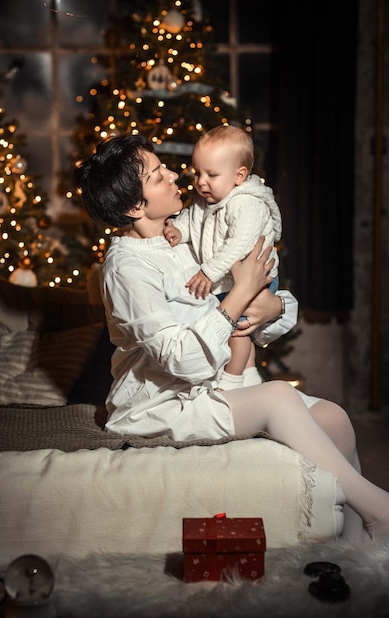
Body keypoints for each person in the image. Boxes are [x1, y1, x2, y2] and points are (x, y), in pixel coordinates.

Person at [75, 133, 389, 539]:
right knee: (278, 396)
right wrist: (239, 295)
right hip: (164, 402)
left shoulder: (183, 233)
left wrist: (274, 306)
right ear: (136, 206)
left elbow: (253, 290)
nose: (174, 176)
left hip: (217, 383)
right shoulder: (126, 269)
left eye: (164, 167)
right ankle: (378, 510)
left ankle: (357, 551)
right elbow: (182, 359)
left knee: (335, 419)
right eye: (157, 176)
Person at [163, 125, 283, 390]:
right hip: (229, 280)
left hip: (255, 278)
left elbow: (238, 245)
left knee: (236, 332)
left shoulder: (247, 204)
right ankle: (250, 380)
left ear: (239, 176)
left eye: (211, 174)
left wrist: (209, 272)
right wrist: (178, 231)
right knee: (239, 334)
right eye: (198, 172)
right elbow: (192, 222)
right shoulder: (204, 198)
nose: (201, 181)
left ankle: (229, 383)